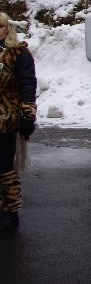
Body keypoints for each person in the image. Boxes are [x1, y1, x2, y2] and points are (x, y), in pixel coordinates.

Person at [0, 13, 36, 232]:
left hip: (6, 118)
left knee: (4, 167)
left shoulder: (19, 53)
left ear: (8, 29)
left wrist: (27, 115)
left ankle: (10, 211)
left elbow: (28, 85)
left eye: (0, 26)